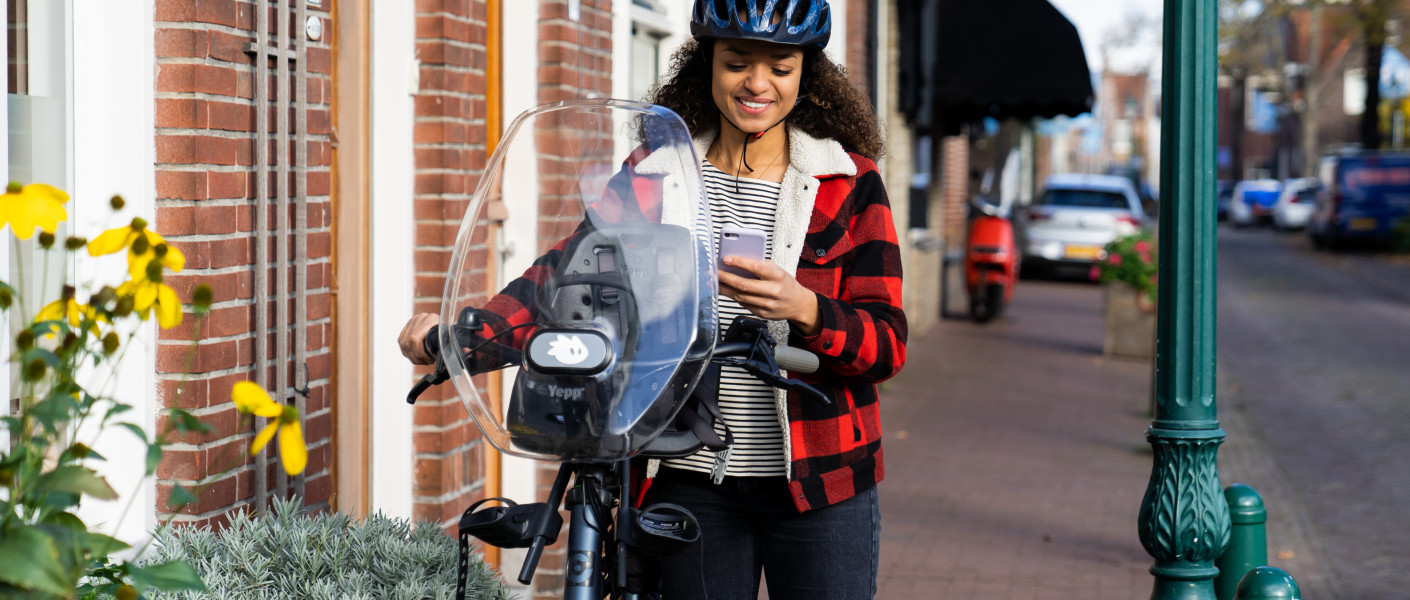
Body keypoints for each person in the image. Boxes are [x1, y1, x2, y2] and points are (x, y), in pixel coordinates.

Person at [399, 0, 906, 597]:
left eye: (781, 66)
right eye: (736, 61)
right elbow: (565, 276)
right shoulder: (657, 172)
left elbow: (888, 344)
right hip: (685, 475)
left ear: (807, 75)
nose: (757, 83)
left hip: (822, 483)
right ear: (706, 65)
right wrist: (466, 338)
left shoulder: (849, 181)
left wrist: (806, 309)